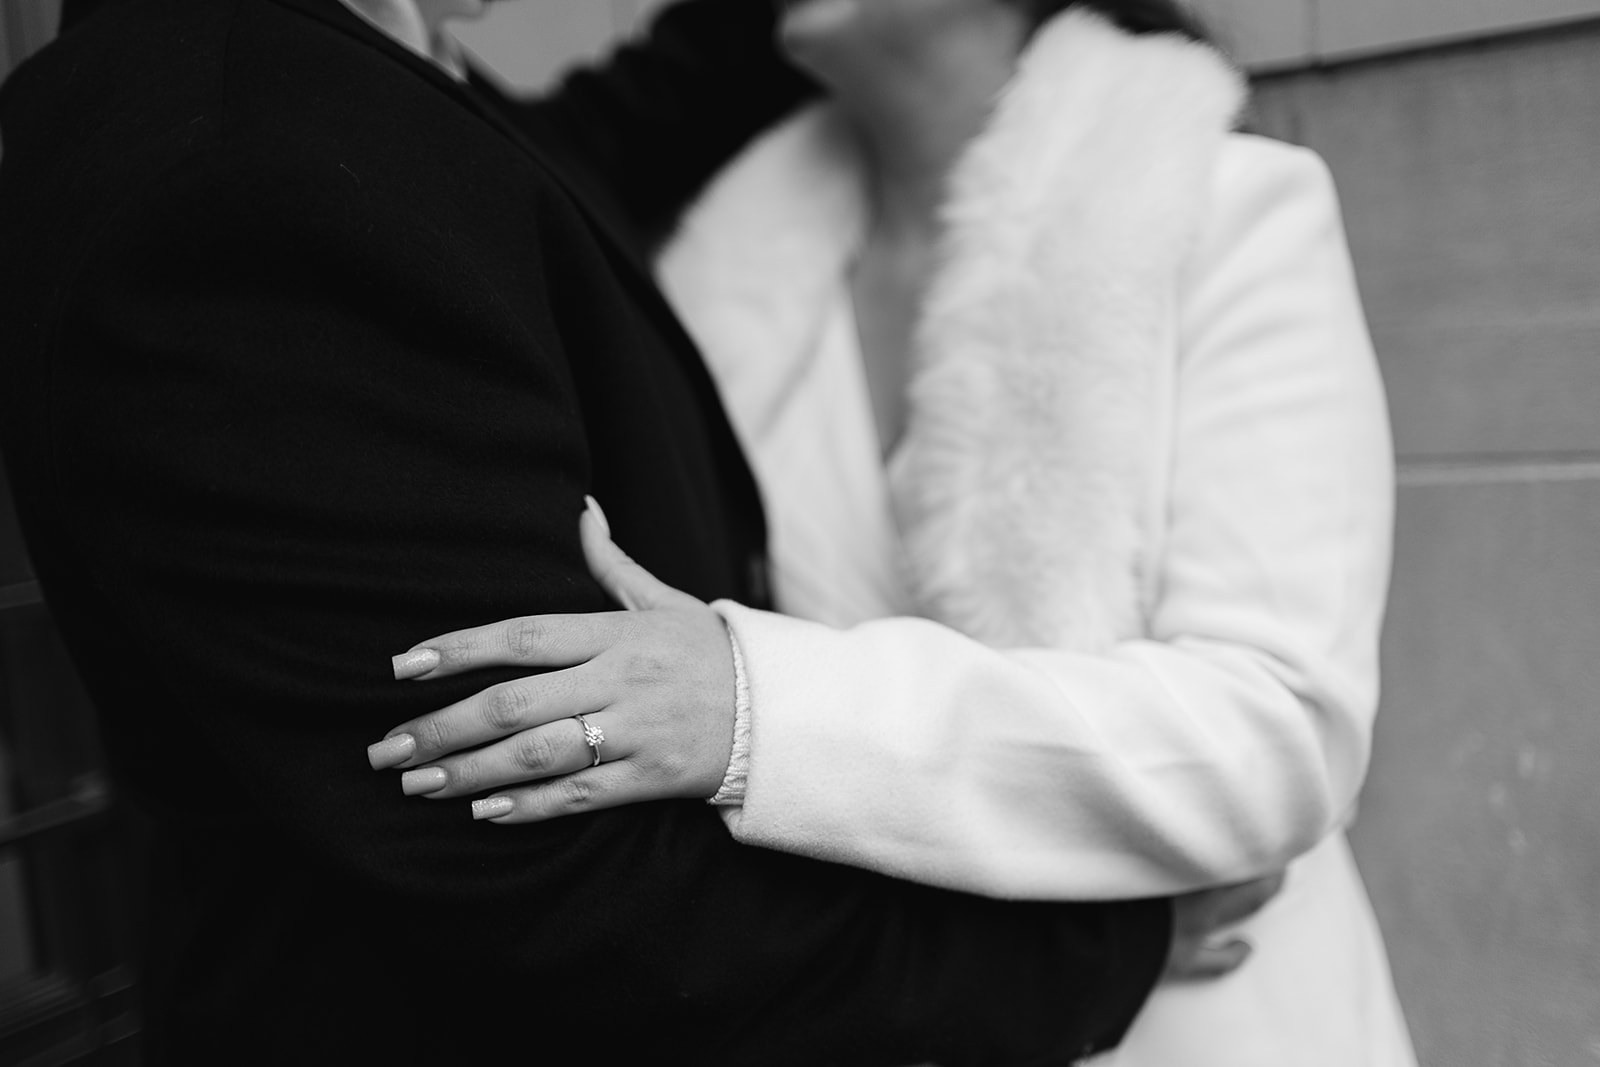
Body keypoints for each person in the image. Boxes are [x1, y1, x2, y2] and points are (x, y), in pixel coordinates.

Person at [0, 0, 1258, 1061]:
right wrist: (1091, 942)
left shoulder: (370, 87)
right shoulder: (241, 155)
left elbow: (608, 137)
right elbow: (547, 866)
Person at [367, 0, 1419, 1064]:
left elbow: (1282, 725)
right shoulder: (711, 293)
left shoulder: (1230, 210)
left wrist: (754, 702)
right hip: (912, 1018)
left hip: (1211, 1020)